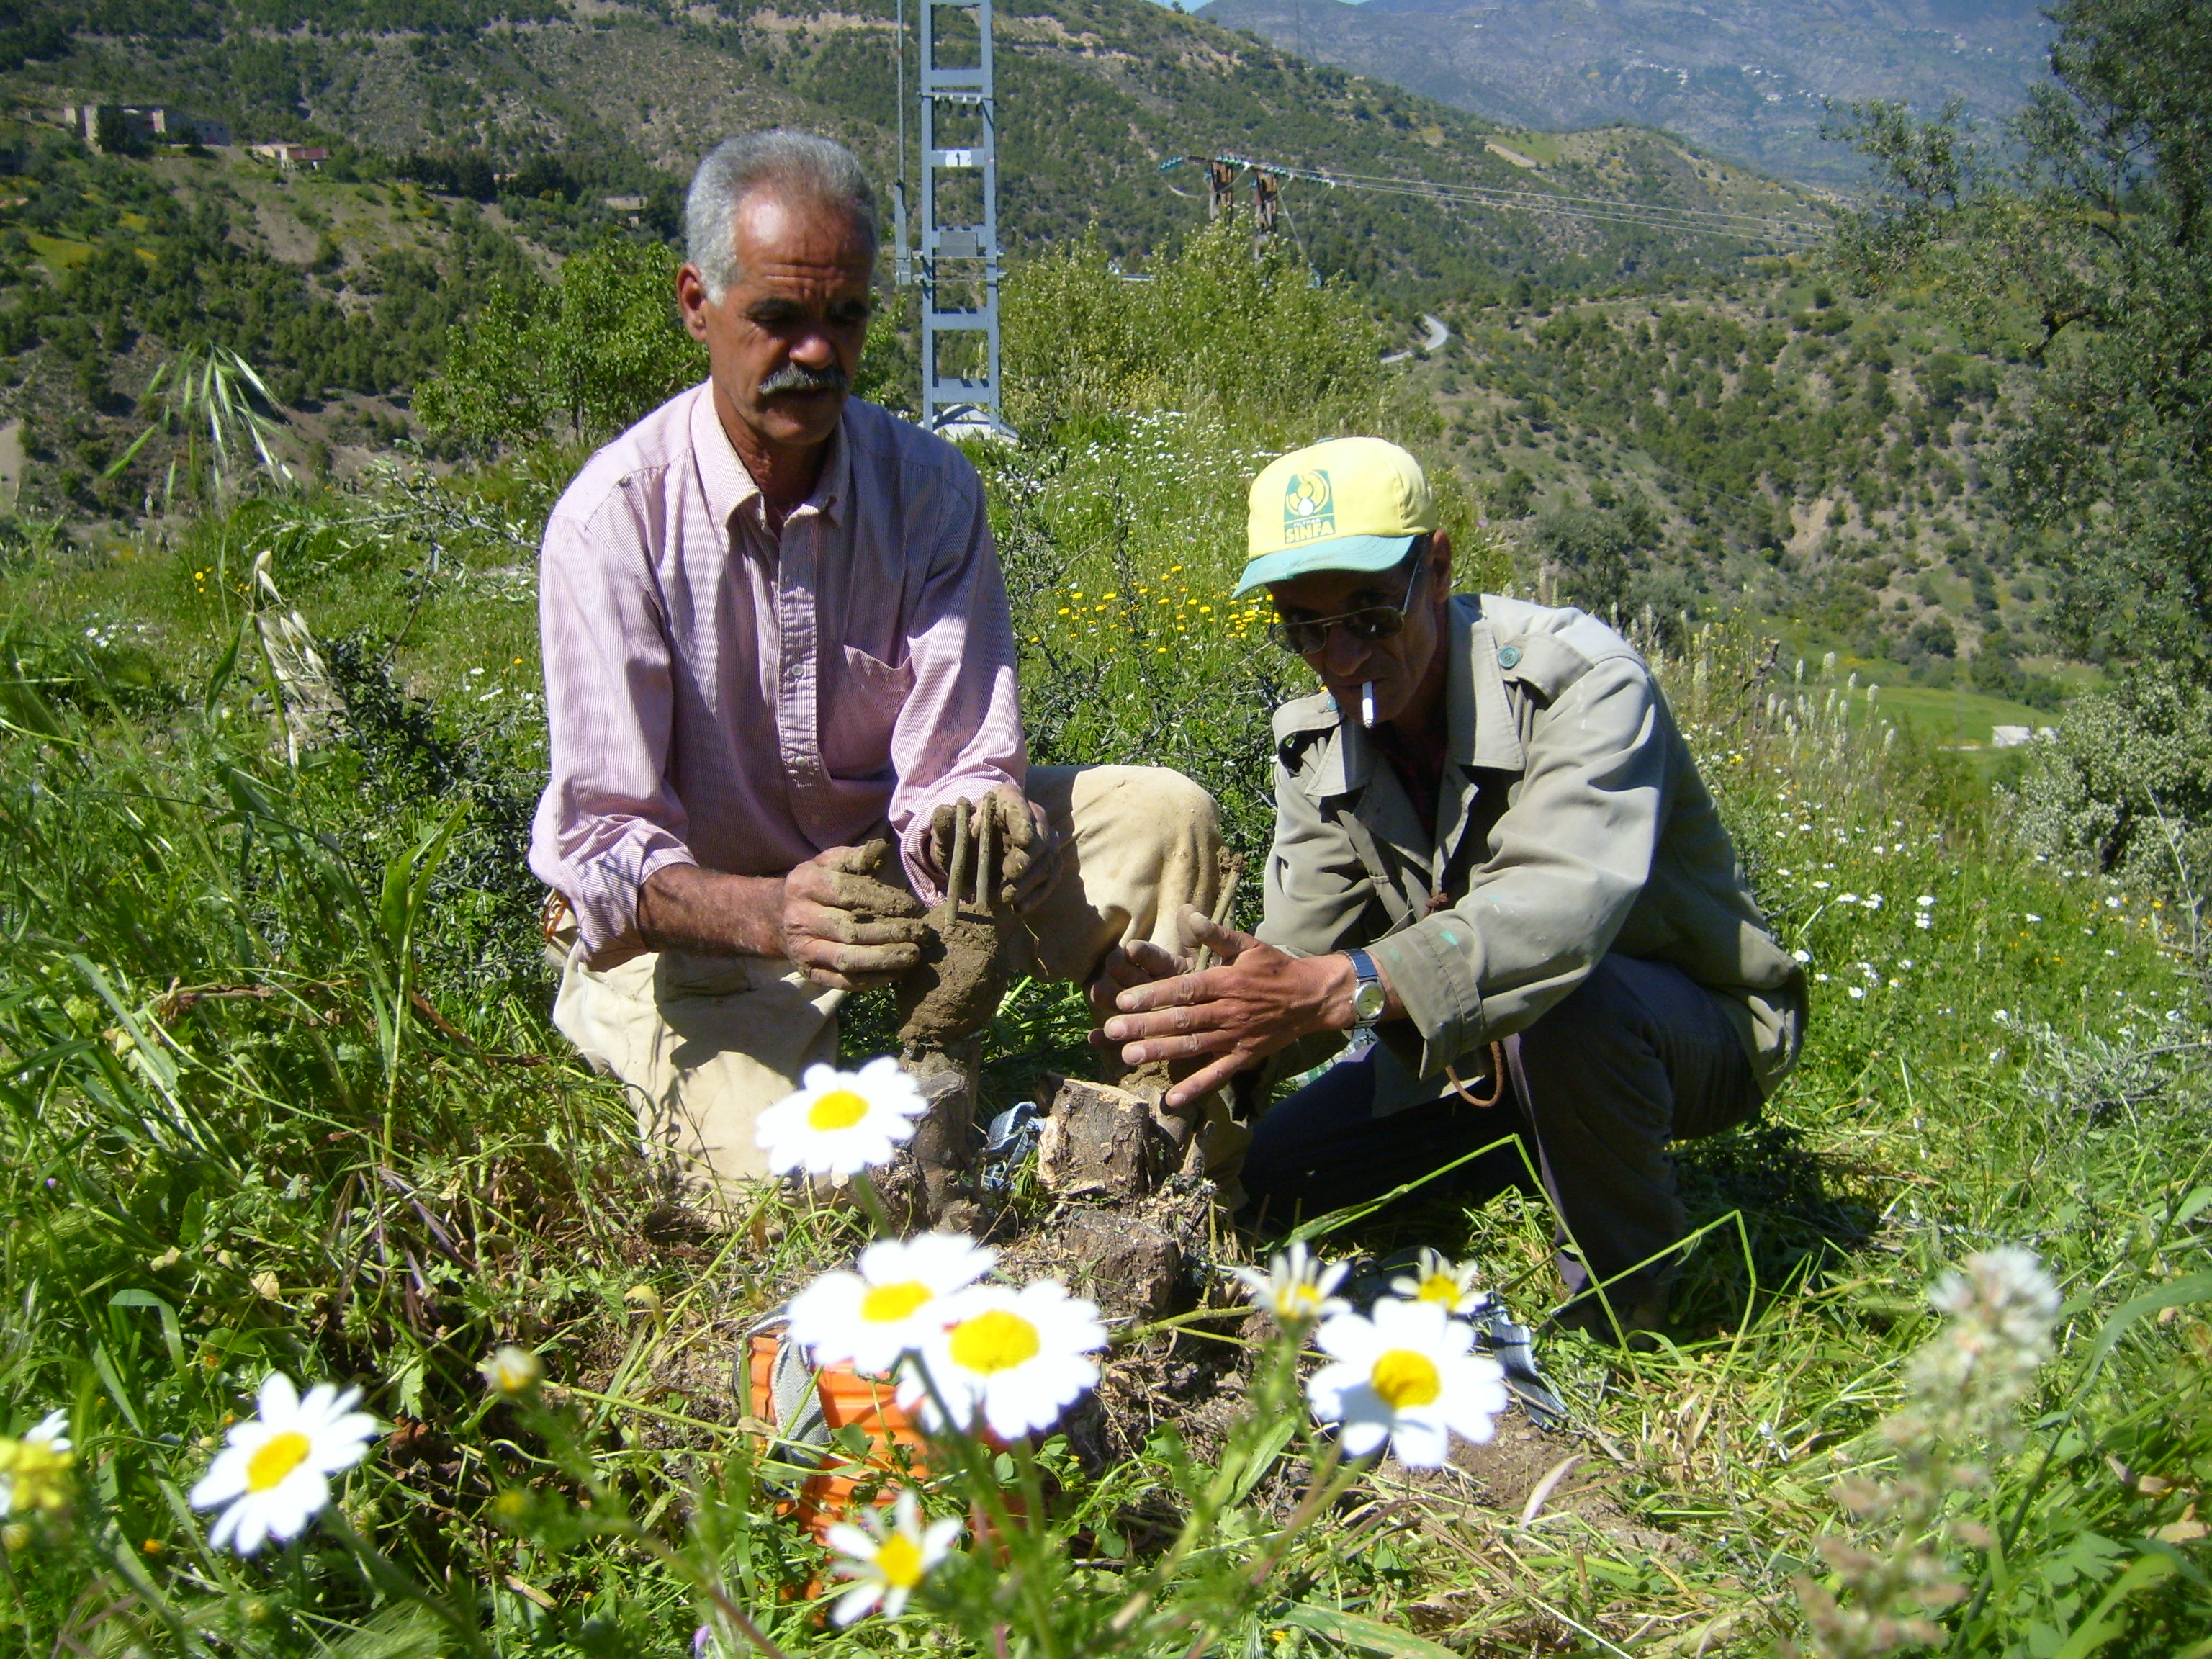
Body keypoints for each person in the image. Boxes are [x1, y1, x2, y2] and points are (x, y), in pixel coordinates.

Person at [531, 130, 1223, 1200]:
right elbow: (605, 849)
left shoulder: (930, 493)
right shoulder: (615, 524)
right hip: (714, 941)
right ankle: (893, 1160)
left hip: (895, 892)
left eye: (845, 316)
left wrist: (978, 832)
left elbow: (957, 764)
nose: (817, 352)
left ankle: (1164, 1168)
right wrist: (772, 914)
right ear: (697, 304)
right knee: (784, 1200)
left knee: (1164, 820)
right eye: (779, 317)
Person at [1095, 437, 1807, 1334]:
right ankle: (1527, 1138)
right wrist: (1213, 1009)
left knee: (1572, 1009)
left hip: (1676, 1026)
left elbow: (1553, 921)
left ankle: (1628, 1305)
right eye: (1305, 628)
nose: (1340, 658)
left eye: (1368, 616)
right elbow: (1302, 960)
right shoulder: (1321, 742)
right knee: (1276, 1179)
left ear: (1435, 569)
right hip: (1479, 1046)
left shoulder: (1581, 684)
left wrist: (1338, 987)